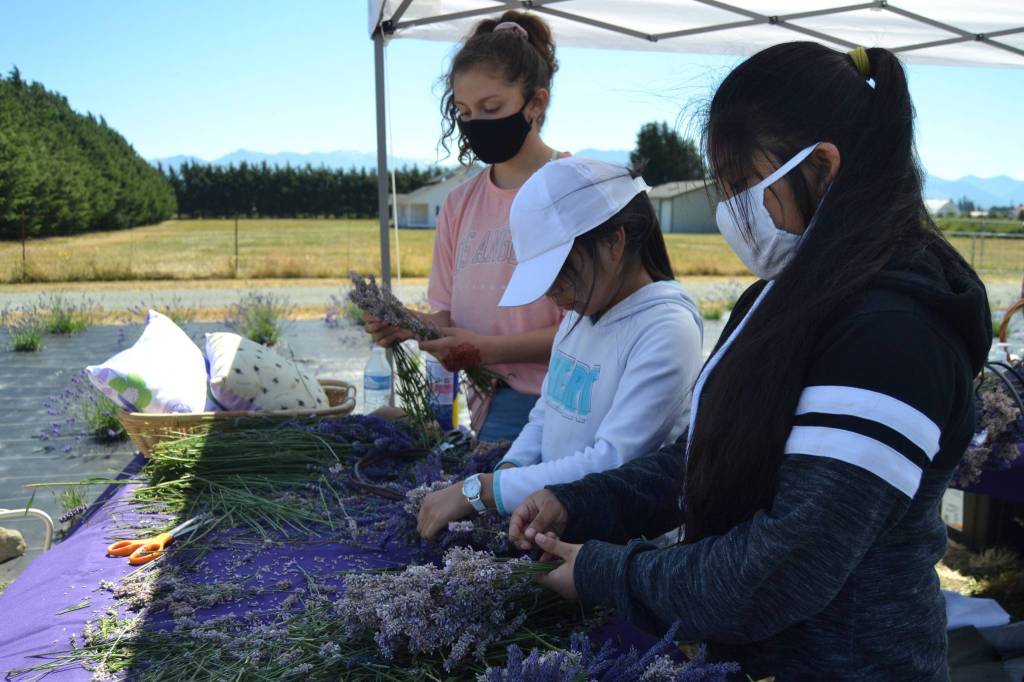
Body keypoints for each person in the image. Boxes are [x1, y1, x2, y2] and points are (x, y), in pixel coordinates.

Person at [508, 43, 992, 681]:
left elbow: (786, 567)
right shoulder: (779, 298)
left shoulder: (896, 335)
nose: (730, 210)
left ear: (821, 168)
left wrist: (607, 572)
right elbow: (712, 461)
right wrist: (582, 501)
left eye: (741, 186)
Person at [417, 157, 703, 540]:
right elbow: (547, 409)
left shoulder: (666, 329)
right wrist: (511, 468)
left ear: (613, 242)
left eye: (557, 273)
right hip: (557, 524)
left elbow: (614, 460)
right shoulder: (582, 310)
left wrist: (485, 491)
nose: (553, 294)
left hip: (618, 551)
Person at [365, 11, 566, 441]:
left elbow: (588, 329)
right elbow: (448, 319)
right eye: (464, 112)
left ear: (536, 103)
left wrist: (486, 350)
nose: (475, 124)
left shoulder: (571, 190)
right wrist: (409, 324)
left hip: (553, 403)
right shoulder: (459, 204)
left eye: (491, 108)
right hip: (483, 402)